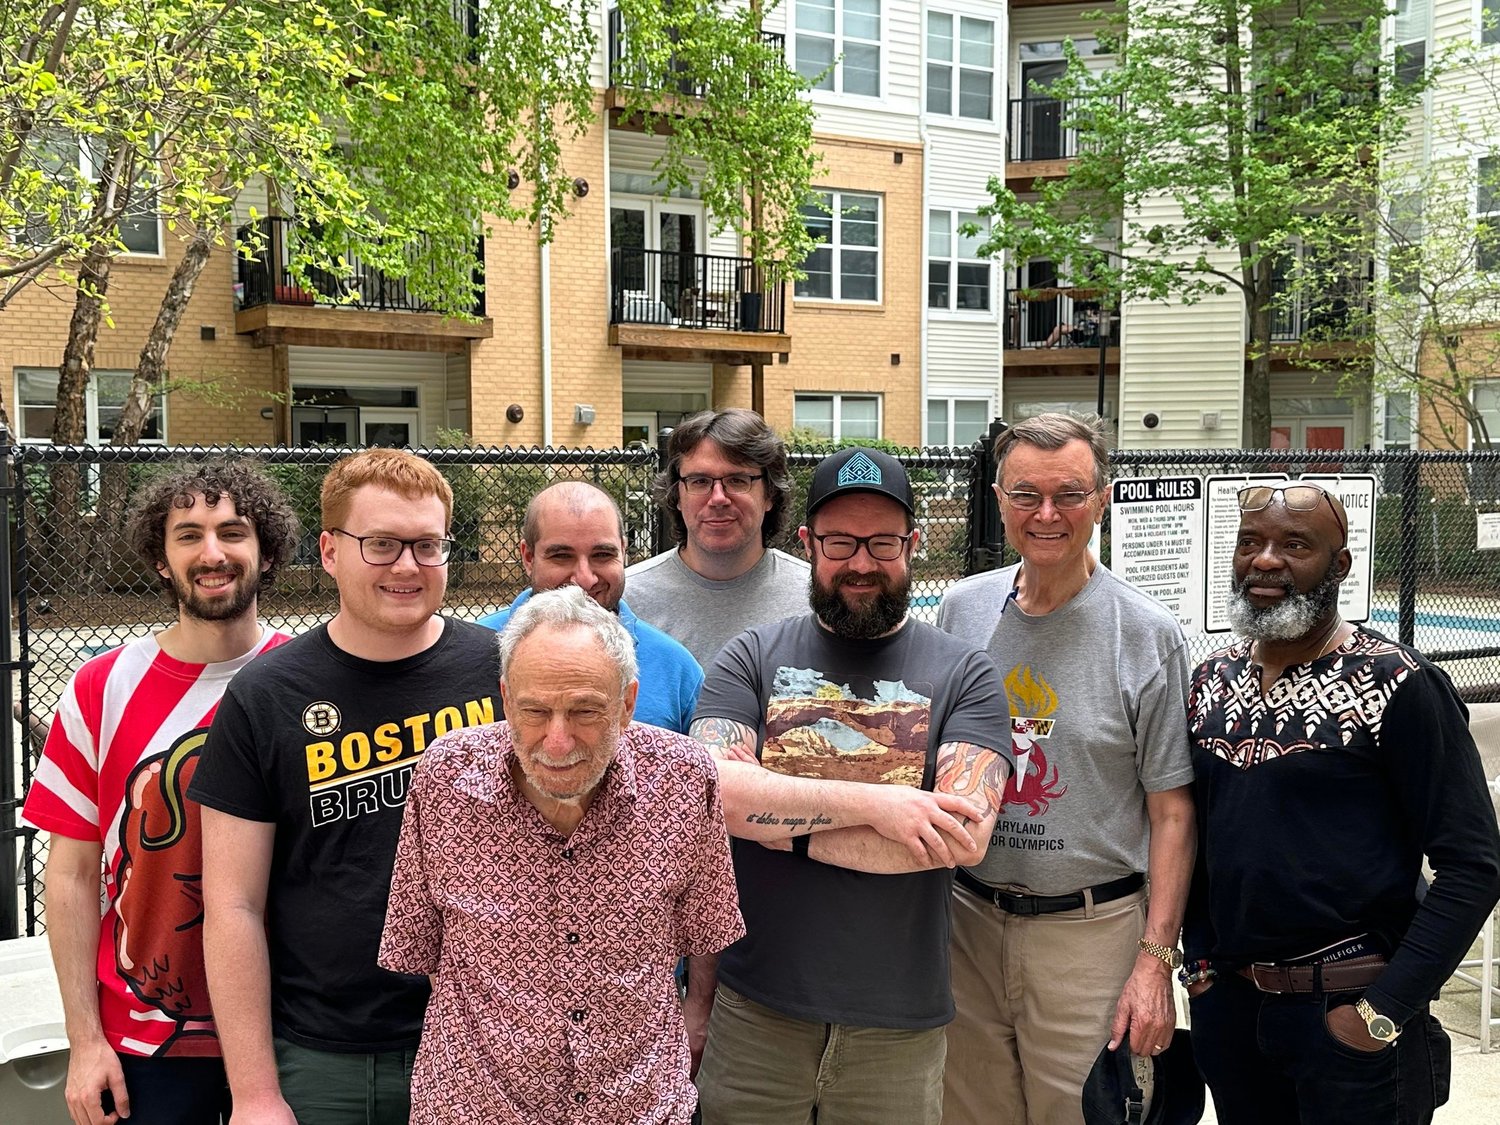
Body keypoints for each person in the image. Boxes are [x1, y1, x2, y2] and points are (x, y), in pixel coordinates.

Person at [690, 446, 1012, 1125]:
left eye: (882, 542)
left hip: (899, 1024)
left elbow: (961, 835)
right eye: (840, 541)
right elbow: (717, 797)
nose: (861, 562)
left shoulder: (967, 674)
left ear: (912, 545)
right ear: (808, 543)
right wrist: (880, 805)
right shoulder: (750, 656)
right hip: (757, 1011)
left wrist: (786, 829)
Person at [190, 448, 504, 1125]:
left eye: (427, 545)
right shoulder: (266, 696)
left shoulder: (502, 672)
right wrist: (254, 1094)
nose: (407, 566)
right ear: (331, 551)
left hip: (488, 1039)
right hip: (327, 1057)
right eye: (381, 544)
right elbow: (233, 905)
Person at [1183, 481, 1500, 1124]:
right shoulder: (1211, 680)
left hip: (1350, 1018)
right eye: (1250, 542)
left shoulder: (1399, 684)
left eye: (1295, 545)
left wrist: (1384, 1011)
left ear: (1340, 564)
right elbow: (1193, 837)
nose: (1266, 560)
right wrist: (1200, 972)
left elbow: (1473, 865)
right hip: (1235, 1016)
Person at [379, 586, 744, 1123]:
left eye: (585, 711)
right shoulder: (445, 778)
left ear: (627, 704)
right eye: (534, 711)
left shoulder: (685, 780)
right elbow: (422, 948)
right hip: (477, 1107)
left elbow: (706, 930)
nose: (556, 741)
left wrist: (697, 1018)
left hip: (637, 1106)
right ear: (506, 699)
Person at [937, 412, 1197, 1125]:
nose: (1046, 514)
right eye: (1026, 495)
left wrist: (1156, 960)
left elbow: (1173, 812)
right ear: (999, 499)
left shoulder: (1145, 634)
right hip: (968, 921)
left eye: (1069, 495)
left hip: (1090, 934)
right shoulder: (962, 611)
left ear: (1102, 499)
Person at [22, 461, 298, 1125]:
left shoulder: (306, 681)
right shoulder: (101, 686)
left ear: (267, 552)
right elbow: (71, 873)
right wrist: (86, 1041)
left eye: (233, 531)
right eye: (189, 535)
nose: (212, 553)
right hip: (143, 1044)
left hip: (291, 1030)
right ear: (159, 558)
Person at [478, 480, 701, 733]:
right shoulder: (473, 653)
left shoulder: (675, 669)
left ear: (623, 552)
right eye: (562, 556)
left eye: (602, 555)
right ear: (528, 557)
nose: (584, 579)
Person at [624, 409, 810, 668]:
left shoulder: (813, 597)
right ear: (677, 495)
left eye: (737, 480)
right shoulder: (628, 602)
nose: (718, 498)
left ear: (770, 494)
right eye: (700, 481)